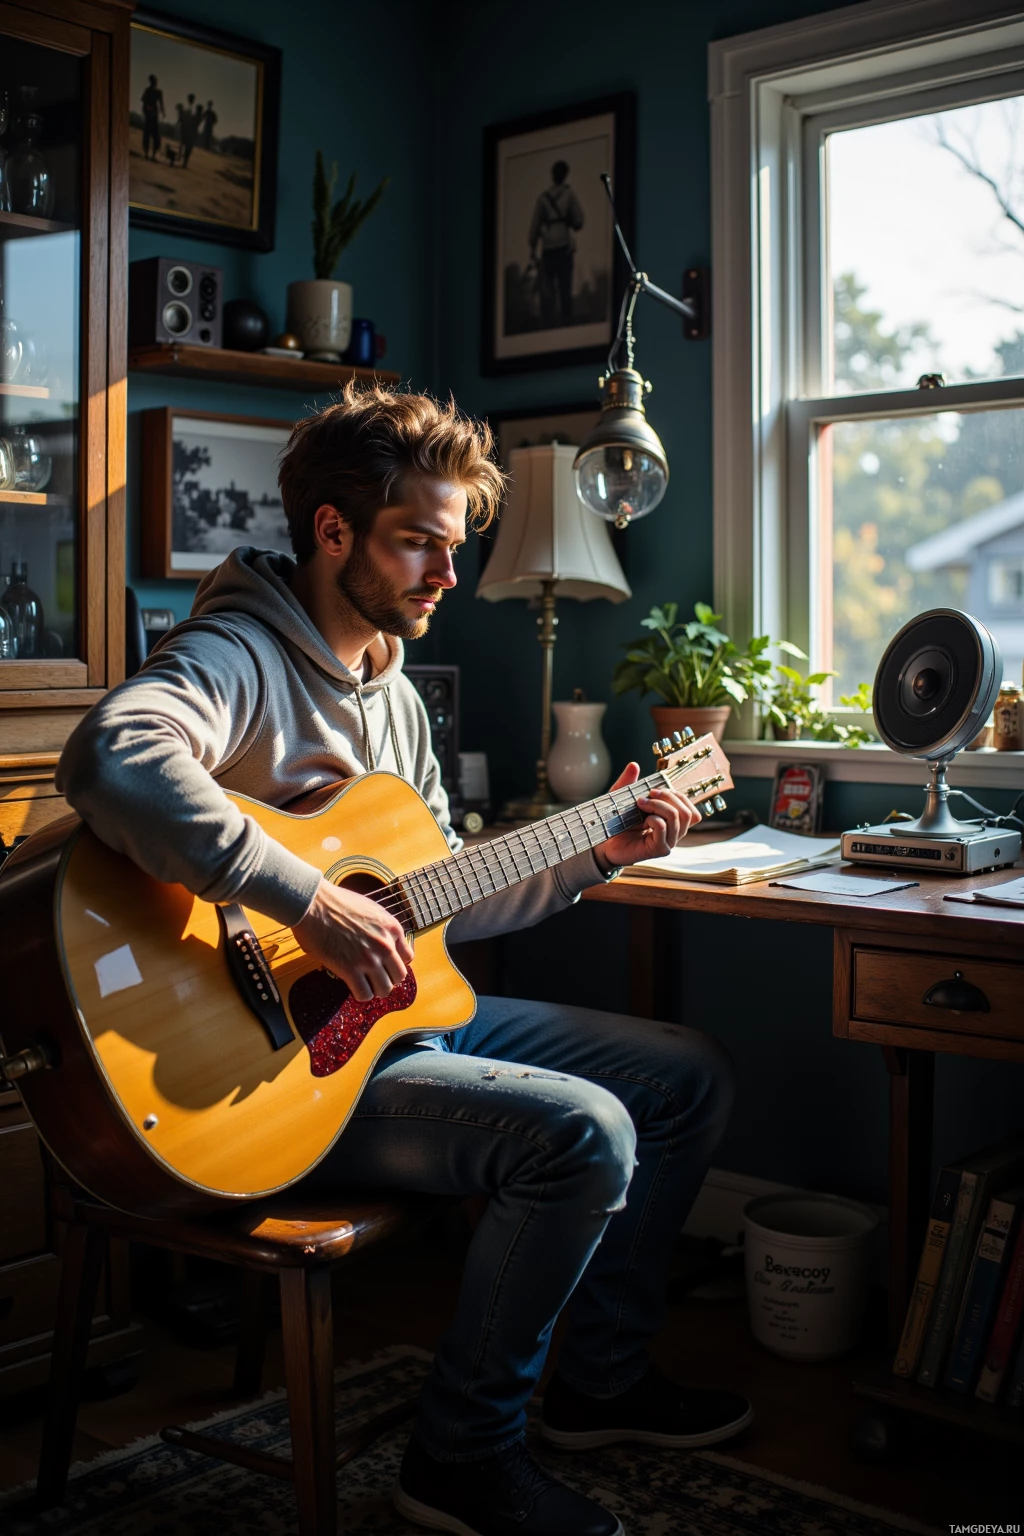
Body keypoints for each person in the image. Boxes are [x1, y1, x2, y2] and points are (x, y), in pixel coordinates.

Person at [57, 384, 751, 1536]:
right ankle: (462, 1459)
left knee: (686, 1075)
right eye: (418, 540)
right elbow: (112, 757)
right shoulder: (236, 652)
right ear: (333, 532)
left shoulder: (394, 687)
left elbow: (436, 906)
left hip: (388, 1033)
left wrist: (597, 854)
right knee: (586, 1133)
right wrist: (307, 900)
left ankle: (599, 1382)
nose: (446, 571)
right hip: (274, 1078)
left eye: (454, 542)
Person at [528, 160, 584, 329]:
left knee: (549, 289)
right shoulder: (569, 194)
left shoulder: (543, 199)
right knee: (564, 287)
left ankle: (549, 323)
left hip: (548, 247)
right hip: (563, 246)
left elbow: (534, 226)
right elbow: (579, 220)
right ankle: (565, 322)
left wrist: (532, 247)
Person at [140, 74, 164, 162]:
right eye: (154, 81)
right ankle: (148, 154)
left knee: (154, 136)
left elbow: (161, 103)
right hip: (150, 116)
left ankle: (152, 154)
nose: (155, 83)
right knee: (148, 135)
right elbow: (143, 103)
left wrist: (162, 112)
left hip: (153, 116)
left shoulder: (157, 92)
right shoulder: (148, 91)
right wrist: (145, 111)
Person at [178, 92, 200, 168]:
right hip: (187, 130)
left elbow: (197, 121)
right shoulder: (190, 109)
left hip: (189, 130)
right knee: (185, 146)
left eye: (191, 99)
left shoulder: (194, 109)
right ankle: (183, 161)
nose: (191, 100)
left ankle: (184, 162)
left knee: (187, 147)